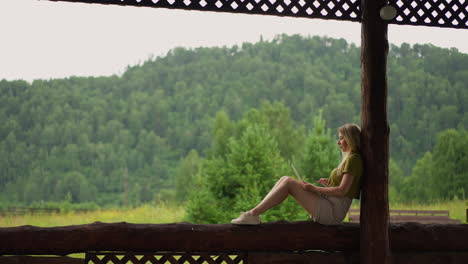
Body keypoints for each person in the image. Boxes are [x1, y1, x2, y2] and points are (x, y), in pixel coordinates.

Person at [231, 123, 363, 225]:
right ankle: (252, 214)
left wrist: (315, 189)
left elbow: (342, 191)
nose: (338, 142)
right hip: (330, 205)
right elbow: (345, 187)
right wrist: (329, 183)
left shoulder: (353, 159)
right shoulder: (352, 159)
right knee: (285, 179)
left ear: (350, 139)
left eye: (341, 138)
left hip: (333, 212)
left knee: (288, 182)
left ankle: (252, 215)